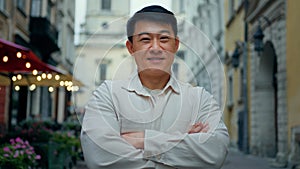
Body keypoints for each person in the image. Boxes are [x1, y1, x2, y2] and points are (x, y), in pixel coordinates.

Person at [80, 5, 229, 169]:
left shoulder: (200, 99)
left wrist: (144, 140)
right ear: (131, 48)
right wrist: (183, 147)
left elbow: (216, 151)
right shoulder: (107, 95)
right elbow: (101, 159)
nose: (156, 48)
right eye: (145, 40)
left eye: (164, 39)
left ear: (176, 45)